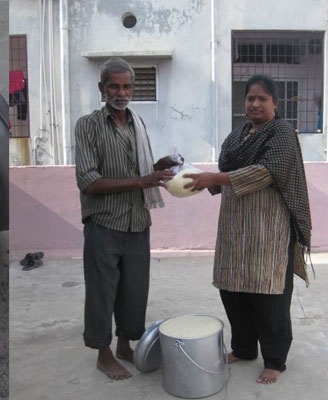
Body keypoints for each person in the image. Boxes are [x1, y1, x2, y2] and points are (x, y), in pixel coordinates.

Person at [183, 74, 312, 384]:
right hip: (233, 229)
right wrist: (191, 178)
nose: (255, 103)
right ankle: (243, 348)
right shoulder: (236, 136)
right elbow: (224, 172)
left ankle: (275, 360)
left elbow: (265, 172)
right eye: (250, 98)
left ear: (275, 104)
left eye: (262, 99)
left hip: (269, 230)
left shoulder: (281, 133)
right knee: (233, 290)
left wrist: (214, 180)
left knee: (269, 296)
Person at [74, 57, 176, 380]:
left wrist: (159, 166)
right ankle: (103, 355)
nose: (122, 92)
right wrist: (141, 182)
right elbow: (88, 181)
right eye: (114, 86)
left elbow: (141, 171)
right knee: (102, 291)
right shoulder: (88, 125)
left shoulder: (137, 122)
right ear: (101, 88)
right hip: (104, 222)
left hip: (137, 221)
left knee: (134, 289)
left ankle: (124, 345)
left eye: (127, 86)